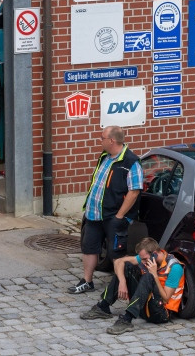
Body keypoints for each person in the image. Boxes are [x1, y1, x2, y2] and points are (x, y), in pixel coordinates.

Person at [68, 125, 143, 295]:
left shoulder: (131, 162)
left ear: (112, 140)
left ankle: (120, 286)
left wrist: (120, 216)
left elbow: (134, 192)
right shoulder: (105, 157)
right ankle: (87, 281)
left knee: (116, 253)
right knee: (89, 248)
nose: (99, 140)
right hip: (94, 214)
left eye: (102, 138)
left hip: (113, 216)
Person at [81, 237, 185, 334]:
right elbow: (119, 261)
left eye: (144, 259)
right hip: (145, 304)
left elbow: (166, 298)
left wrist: (154, 275)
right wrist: (122, 282)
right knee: (127, 267)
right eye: (142, 259)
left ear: (155, 254)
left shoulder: (175, 268)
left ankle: (126, 320)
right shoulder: (147, 257)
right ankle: (103, 307)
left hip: (161, 313)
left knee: (149, 276)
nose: (143, 262)